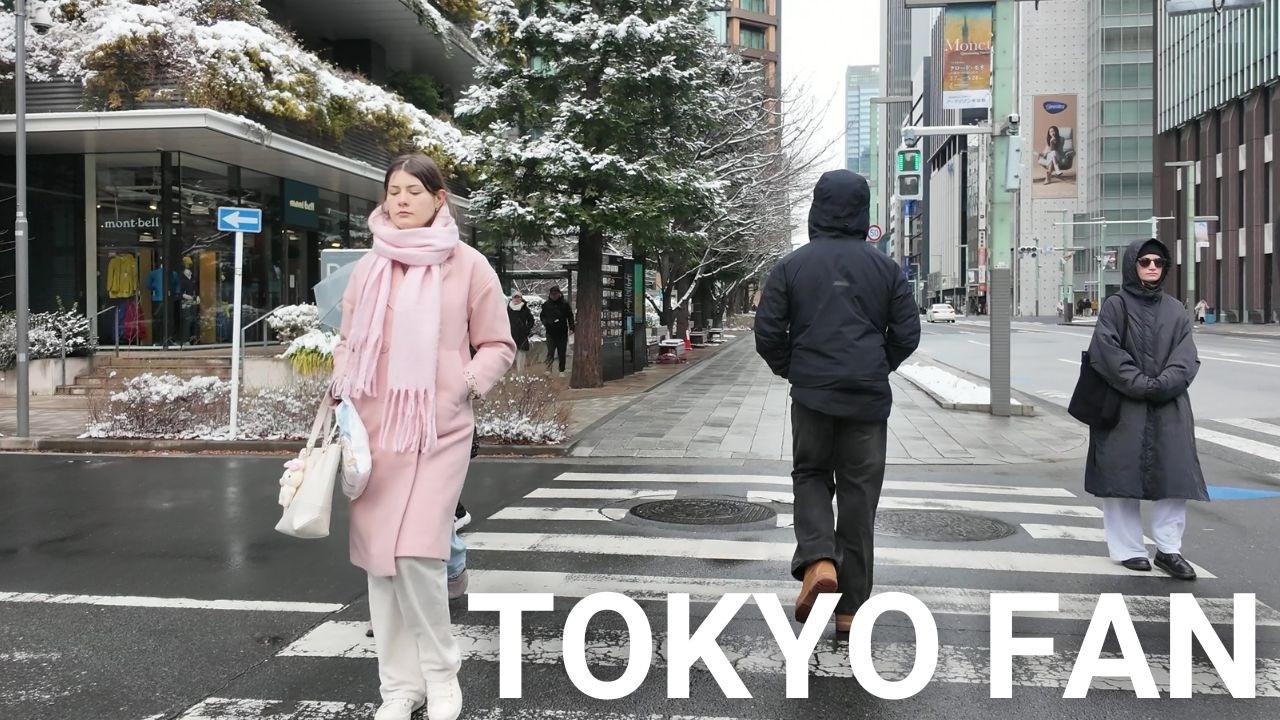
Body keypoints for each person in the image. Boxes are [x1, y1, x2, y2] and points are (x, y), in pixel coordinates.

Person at [330, 153, 515, 720]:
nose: (402, 199)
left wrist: (460, 385)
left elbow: (498, 346)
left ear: (440, 199)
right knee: (380, 565)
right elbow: (347, 339)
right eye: (393, 190)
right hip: (375, 432)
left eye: (414, 190)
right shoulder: (369, 267)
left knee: (416, 556)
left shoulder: (469, 265)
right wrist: (341, 383)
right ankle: (398, 688)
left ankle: (442, 678)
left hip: (437, 429)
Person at [753, 169, 921, 634]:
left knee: (810, 475)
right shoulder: (885, 268)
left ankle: (818, 561)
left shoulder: (792, 266)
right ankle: (850, 609)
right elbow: (907, 333)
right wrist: (877, 364)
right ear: (861, 211)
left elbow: (767, 331)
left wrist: (794, 368)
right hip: (867, 401)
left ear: (817, 208)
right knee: (859, 498)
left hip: (812, 396)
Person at [1084, 238, 1206, 581]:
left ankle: (1169, 550)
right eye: (1145, 261)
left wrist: (1161, 385)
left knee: (1174, 478)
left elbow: (1186, 358)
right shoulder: (1115, 306)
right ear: (1131, 265)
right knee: (1120, 479)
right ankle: (1129, 550)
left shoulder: (1176, 310)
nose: (1152, 266)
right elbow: (1105, 352)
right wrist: (1141, 384)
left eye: (1158, 262)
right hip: (1124, 406)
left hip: (1169, 406)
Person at [540, 285, 574, 375]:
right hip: (550, 332)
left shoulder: (565, 304)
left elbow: (570, 316)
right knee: (550, 351)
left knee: (561, 352)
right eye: (552, 294)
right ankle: (548, 369)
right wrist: (546, 323)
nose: (554, 296)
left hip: (562, 332)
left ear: (559, 294)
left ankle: (561, 370)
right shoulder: (546, 305)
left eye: (556, 294)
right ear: (550, 295)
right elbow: (542, 316)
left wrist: (572, 327)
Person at [507, 292, 535, 373]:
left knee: (521, 355)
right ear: (512, 298)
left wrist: (526, 329)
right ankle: (512, 374)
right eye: (515, 297)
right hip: (510, 334)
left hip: (522, 335)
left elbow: (531, 321)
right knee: (511, 355)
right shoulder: (508, 309)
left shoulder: (525, 309)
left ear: (521, 298)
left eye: (518, 297)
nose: (516, 299)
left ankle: (520, 374)